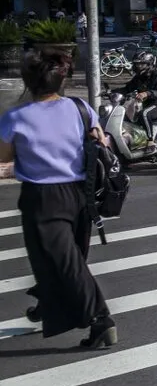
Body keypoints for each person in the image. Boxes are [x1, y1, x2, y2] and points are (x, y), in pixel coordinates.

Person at [0, 50, 117, 348]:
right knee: (67, 258)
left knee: (65, 263)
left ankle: (101, 320)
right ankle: (48, 303)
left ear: (28, 81)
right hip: (81, 194)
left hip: (43, 199)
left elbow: (4, 157)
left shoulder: (16, 117)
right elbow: (101, 141)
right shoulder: (81, 108)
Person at [120, 51, 157, 141]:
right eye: (137, 64)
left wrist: (147, 93)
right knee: (125, 114)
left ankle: (150, 140)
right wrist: (111, 92)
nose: (139, 67)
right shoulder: (139, 76)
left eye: (142, 64)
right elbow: (128, 88)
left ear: (150, 64)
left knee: (144, 114)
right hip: (144, 103)